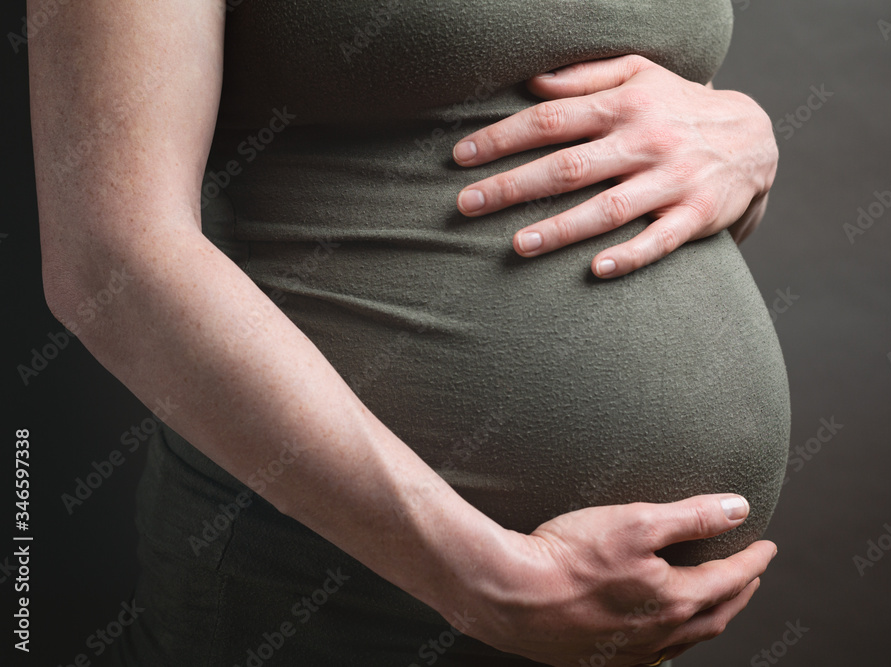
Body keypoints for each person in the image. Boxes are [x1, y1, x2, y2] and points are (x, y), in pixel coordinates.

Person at [27, 0, 788, 665]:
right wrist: (490, 583)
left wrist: (744, 146)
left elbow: (627, 122)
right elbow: (110, 258)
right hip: (322, 604)